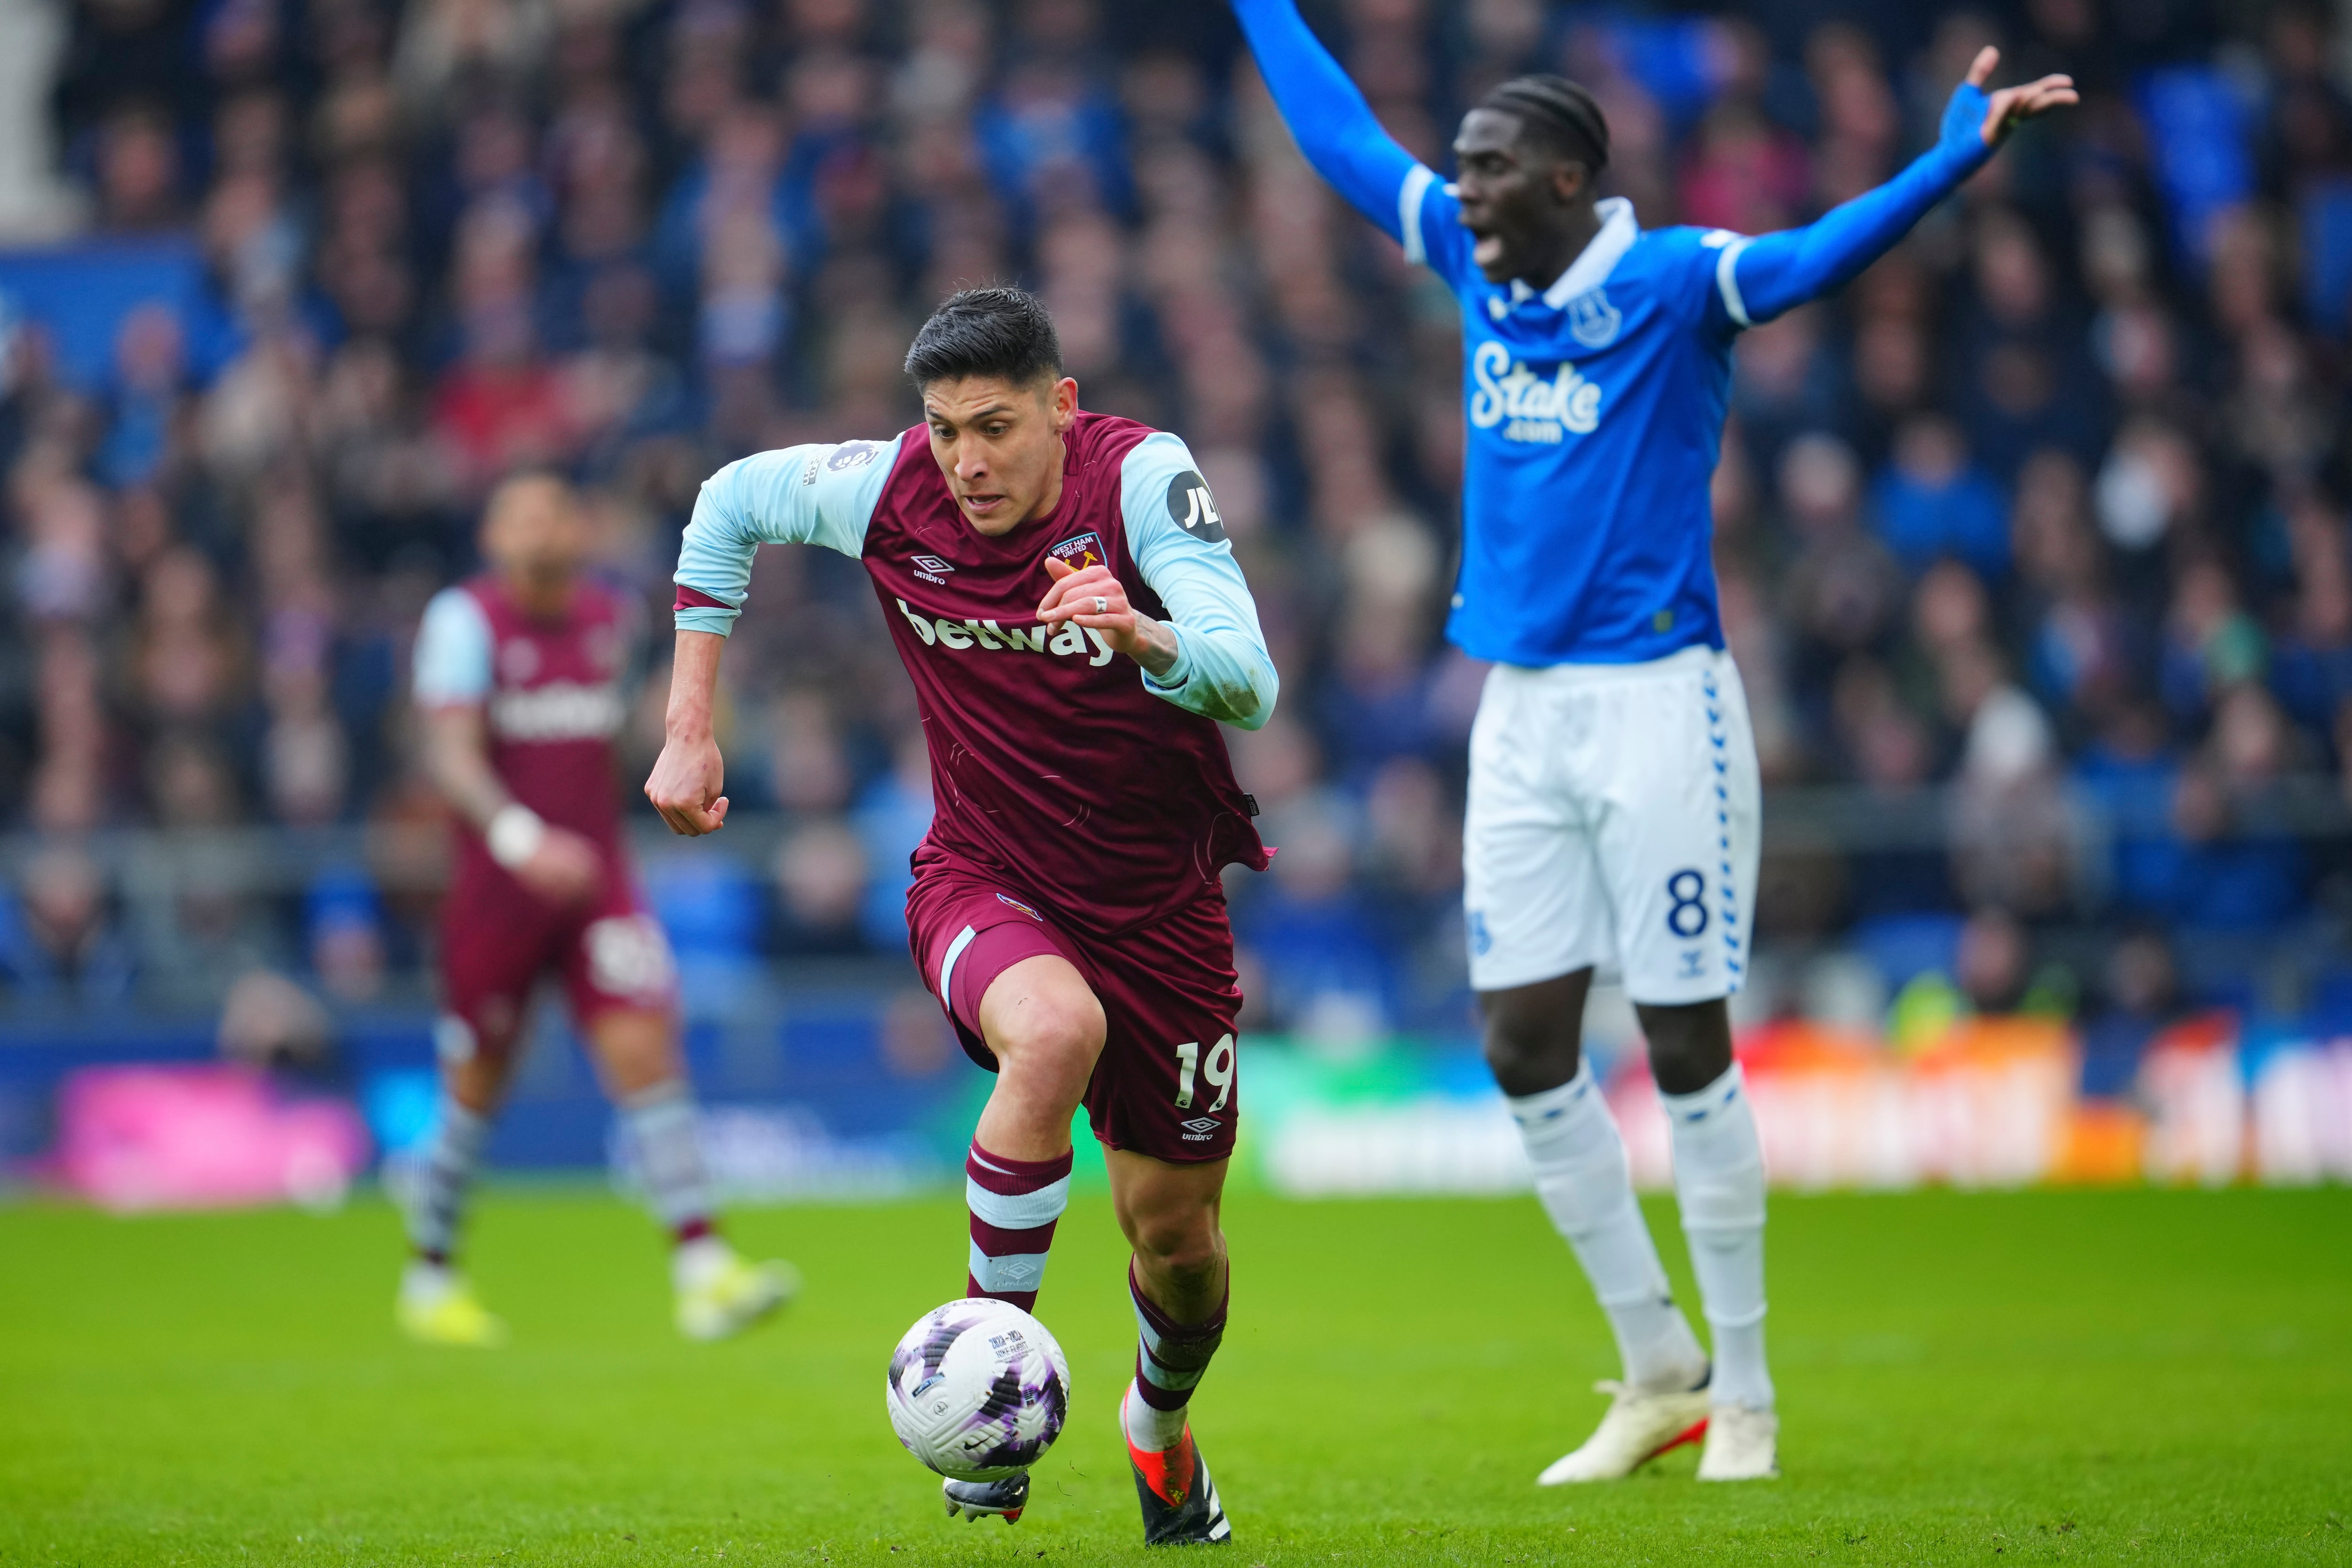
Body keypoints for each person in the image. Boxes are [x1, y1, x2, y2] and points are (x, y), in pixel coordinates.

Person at [1231, 0, 2075, 1484]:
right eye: (1463, 169)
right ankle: (1659, 1363)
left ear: (1567, 183)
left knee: (1686, 1044)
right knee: (1519, 1042)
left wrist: (1950, 165)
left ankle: (1746, 1391)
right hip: (1519, 709)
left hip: (1657, 701)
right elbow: (1341, 141)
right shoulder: (1477, 266)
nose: (1459, 188)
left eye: (1489, 169)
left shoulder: (1677, 282)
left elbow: (1813, 259)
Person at [646, 287, 1277, 1546]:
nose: (967, 461)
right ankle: (986, 1420)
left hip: (1160, 909)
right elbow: (726, 505)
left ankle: (1157, 1426)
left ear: (1061, 404)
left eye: (994, 426)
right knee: (1050, 1032)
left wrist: (1141, 630)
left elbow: (1248, 679)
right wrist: (687, 727)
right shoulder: (886, 492)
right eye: (943, 430)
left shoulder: (1143, 478)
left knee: (1182, 1244)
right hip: (984, 872)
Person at [403, 471, 795, 1346]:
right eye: (523, 513)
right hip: (499, 891)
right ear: (495, 536)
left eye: (555, 511)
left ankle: (703, 1268)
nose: (543, 527)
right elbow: (450, 754)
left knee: (647, 1049)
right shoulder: (464, 622)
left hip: (596, 886)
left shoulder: (609, 618)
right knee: (476, 1083)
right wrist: (518, 839)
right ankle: (429, 1274)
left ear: (580, 530)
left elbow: (614, 743)